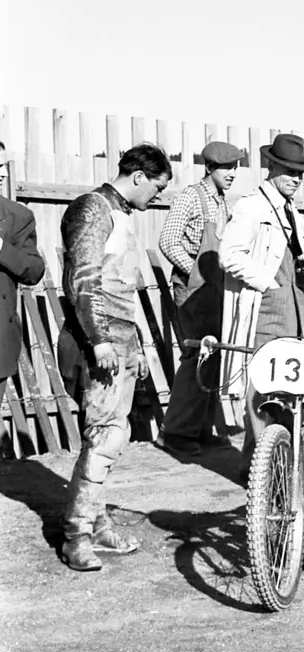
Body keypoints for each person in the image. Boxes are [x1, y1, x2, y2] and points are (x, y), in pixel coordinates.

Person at [57, 143, 172, 571]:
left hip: (120, 343)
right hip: (96, 344)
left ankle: (97, 521)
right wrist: (100, 340)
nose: (156, 198)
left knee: (112, 437)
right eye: (156, 188)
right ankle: (77, 535)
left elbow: (123, 290)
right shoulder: (93, 208)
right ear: (139, 177)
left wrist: (135, 347)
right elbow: (82, 279)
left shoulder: (121, 213)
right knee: (104, 437)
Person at [218, 133, 304, 482]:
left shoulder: (289, 209)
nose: (295, 179)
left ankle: (262, 464)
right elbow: (229, 256)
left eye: (300, 173)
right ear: (271, 167)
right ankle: (263, 471)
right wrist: (268, 283)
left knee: (287, 389)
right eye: (289, 171)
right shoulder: (251, 207)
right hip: (266, 308)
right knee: (261, 388)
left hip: (293, 307)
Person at [156, 140, 242, 456]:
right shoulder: (190, 197)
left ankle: (200, 430)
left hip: (214, 290)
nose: (232, 173)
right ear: (209, 168)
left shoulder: (221, 201)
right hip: (193, 291)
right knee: (197, 357)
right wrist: (195, 271)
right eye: (226, 167)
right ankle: (175, 433)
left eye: (235, 167)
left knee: (212, 358)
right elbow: (167, 240)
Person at [0, 142, 47, 409]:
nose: (4, 175)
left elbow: (33, 270)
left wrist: (1, 249)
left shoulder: (17, 217)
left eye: (3, 166)